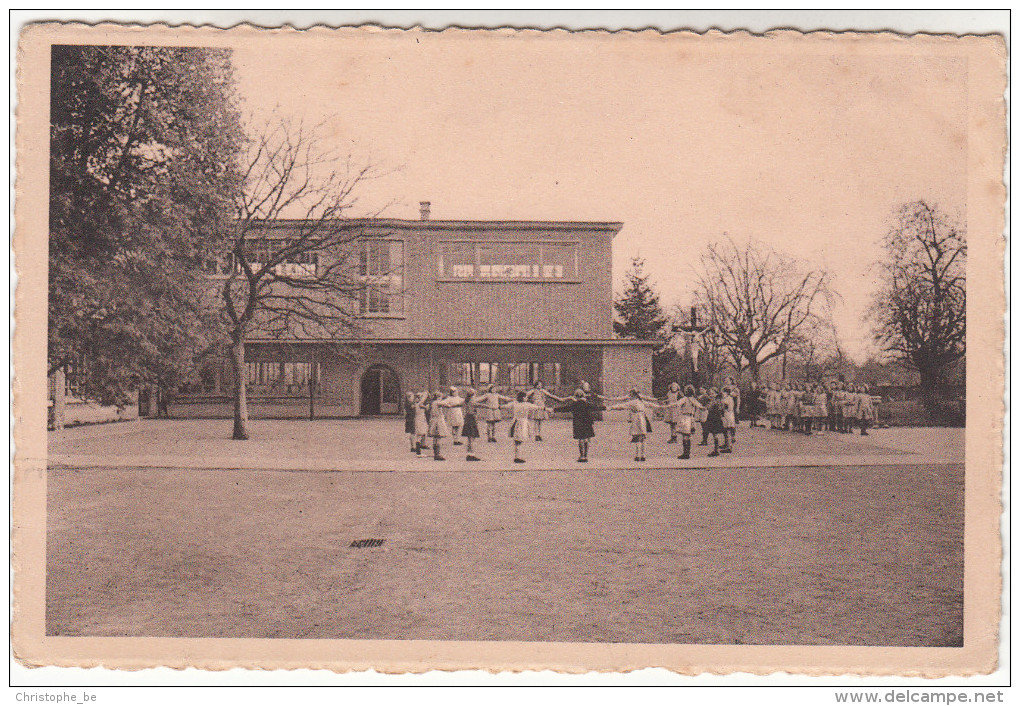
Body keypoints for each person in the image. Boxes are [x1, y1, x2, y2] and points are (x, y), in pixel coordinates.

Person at [555, 388, 606, 462]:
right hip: (587, 422)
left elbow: (564, 409)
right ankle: (585, 456)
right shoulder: (587, 404)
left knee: (581, 439)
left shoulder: (574, 404)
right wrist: (607, 408)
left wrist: (553, 410)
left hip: (578, 423)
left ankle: (581, 456)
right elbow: (596, 407)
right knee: (586, 439)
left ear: (575, 396)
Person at [609, 389, 660, 462]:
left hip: (637, 419)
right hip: (643, 418)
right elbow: (651, 404)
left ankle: (638, 455)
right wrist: (663, 406)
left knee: (637, 437)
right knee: (643, 437)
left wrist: (611, 407)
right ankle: (643, 455)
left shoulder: (633, 402)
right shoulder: (641, 402)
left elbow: (622, 406)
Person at [500, 391, 546, 463]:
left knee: (517, 441)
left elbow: (506, 406)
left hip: (515, 422)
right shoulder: (527, 404)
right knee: (519, 441)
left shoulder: (515, 403)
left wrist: (499, 406)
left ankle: (517, 456)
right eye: (526, 397)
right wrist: (546, 409)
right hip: (523, 423)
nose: (527, 398)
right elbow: (537, 407)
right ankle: (517, 457)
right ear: (523, 398)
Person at [675, 385, 705, 460]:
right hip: (690, 417)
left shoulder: (685, 399)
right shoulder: (693, 399)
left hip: (685, 417)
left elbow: (677, 404)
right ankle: (687, 453)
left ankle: (686, 453)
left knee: (685, 435)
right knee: (688, 436)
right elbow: (700, 406)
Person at [427, 390, 452, 460]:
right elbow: (446, 404)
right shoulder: (437, 402)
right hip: (438, 421)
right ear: (438, 397)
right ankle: (438, 454)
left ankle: (436, 453)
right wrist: (449, 401)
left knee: (435, 438)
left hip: (433, 420)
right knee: (438, 438)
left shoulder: (432, 403)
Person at [703, 388, 728, 456]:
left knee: (715, 434)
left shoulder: (714, 401)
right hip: (718, 418)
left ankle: (716, 450)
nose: (711, 395)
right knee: (718, 434)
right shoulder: (720, 401)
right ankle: (718, 448)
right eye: (710, 393)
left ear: (716, 394)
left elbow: (708, 407)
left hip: (713, 418)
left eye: (713, 393)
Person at [461, 388, 482, 460]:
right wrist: (487, 406)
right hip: (471, 418)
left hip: (467, 418)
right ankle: (472, 454)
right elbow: (477, 405)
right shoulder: (472, 400)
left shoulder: (466, 401)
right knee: (472, 438)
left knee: (469, 438)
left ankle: (469, 453)